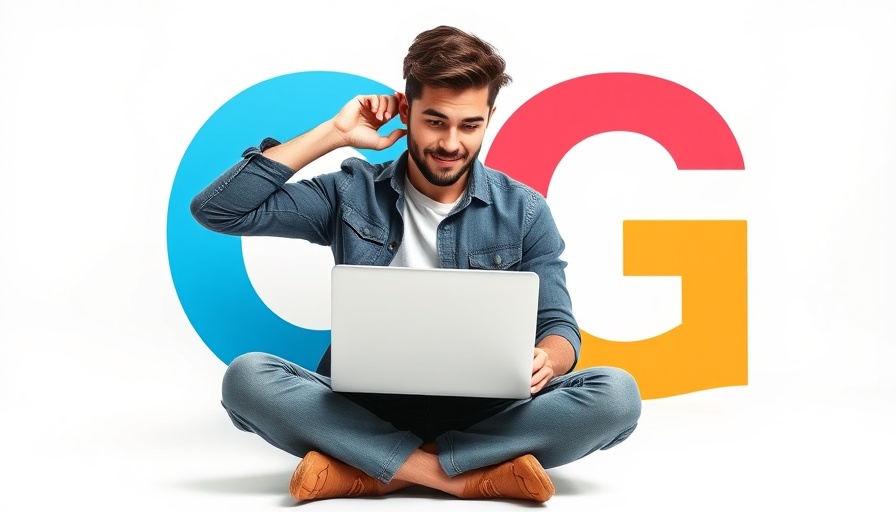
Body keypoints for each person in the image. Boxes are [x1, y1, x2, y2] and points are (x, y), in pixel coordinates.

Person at [191, 25, 641, 503]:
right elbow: (220, 209)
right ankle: (465, 476)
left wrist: (548, 360)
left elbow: (558, 326)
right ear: (406, 111)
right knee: (246, 378)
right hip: (362, 406)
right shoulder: (348, 193)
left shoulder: (524, 211)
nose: (450, 143)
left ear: (489, 117)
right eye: (435, 121)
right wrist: (335, 133)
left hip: (484, 410)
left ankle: (367, 470)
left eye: (470, 125)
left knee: (616, 395)